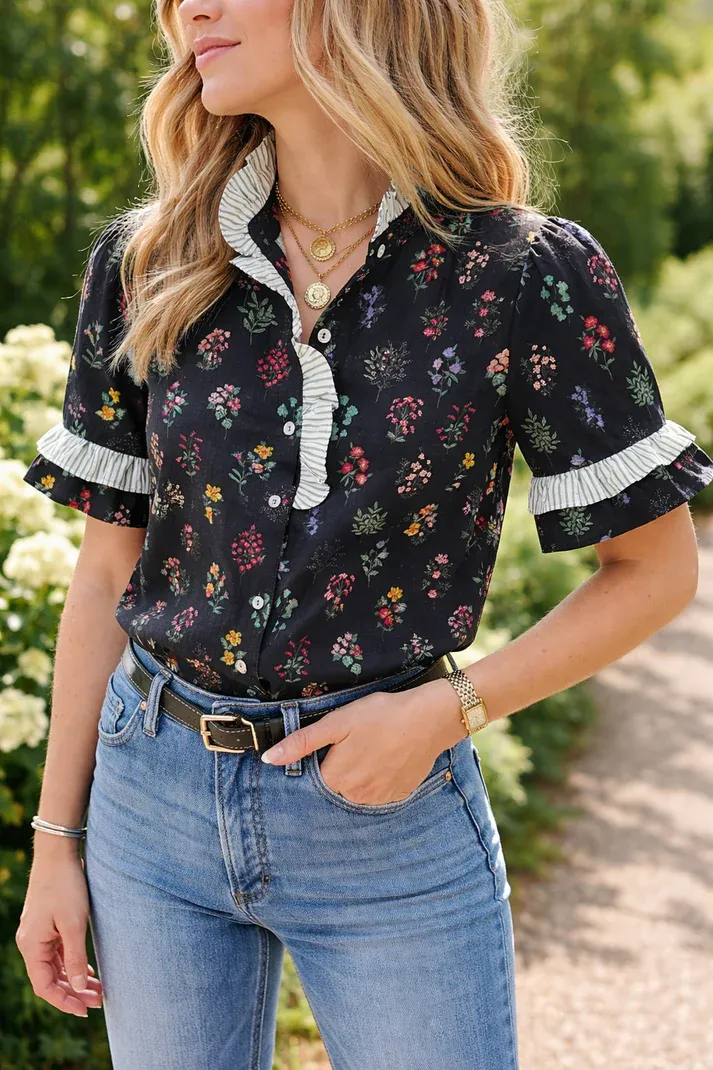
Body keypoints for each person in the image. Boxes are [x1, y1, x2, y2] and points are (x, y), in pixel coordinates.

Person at [14, 0, 713, 1066]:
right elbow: (109, 567)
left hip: (386, 814)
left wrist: (450, 708)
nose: (186, 6)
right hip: (149, 799)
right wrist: (55, 842)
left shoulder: (518, 272)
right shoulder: (148, 261)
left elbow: (655, 570)